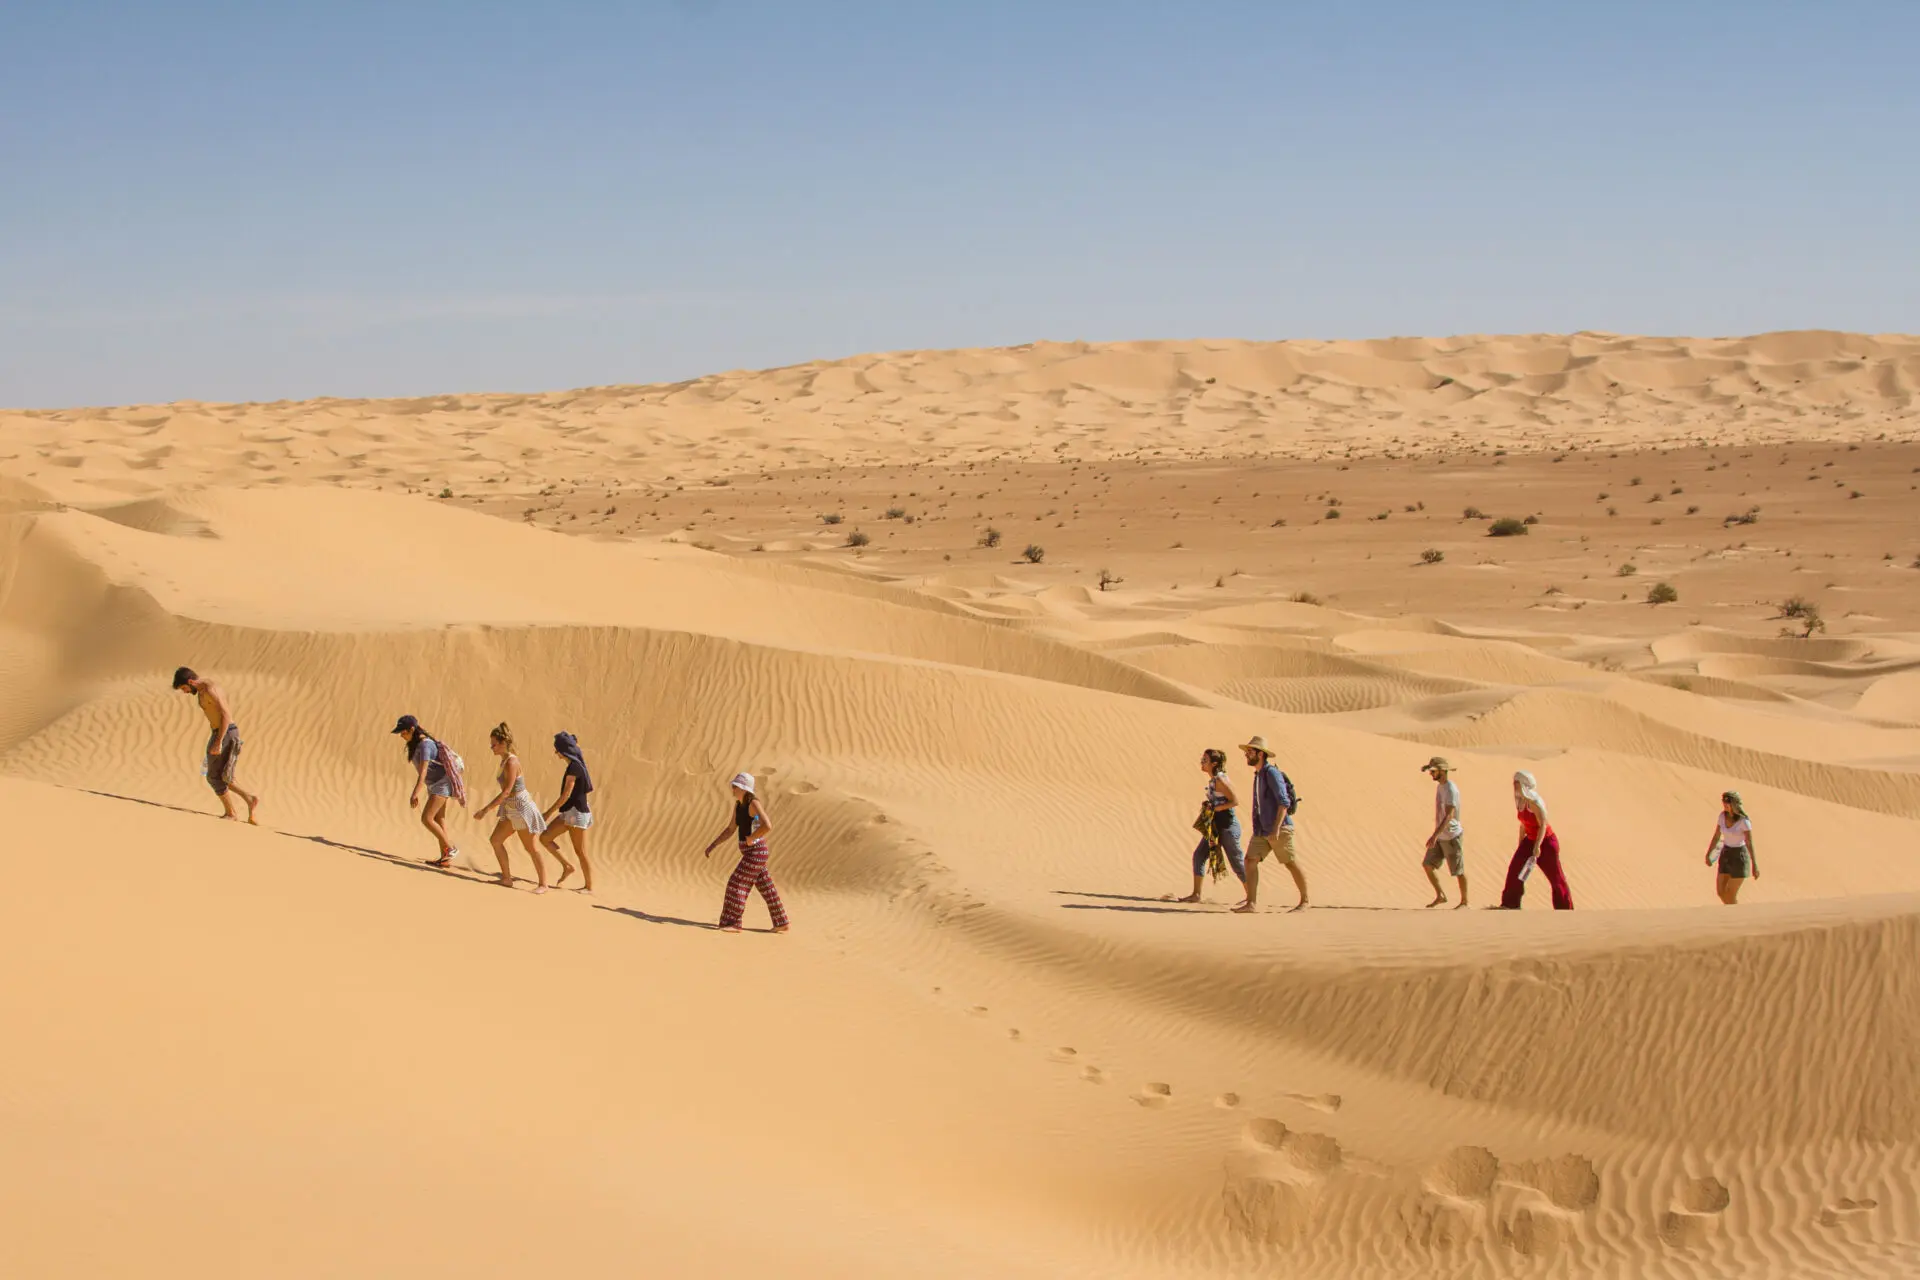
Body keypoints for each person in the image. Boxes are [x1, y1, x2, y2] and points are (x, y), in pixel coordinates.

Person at [702, 772, 789, 933]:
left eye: (735, 786)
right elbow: (730, 829)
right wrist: (713, 845)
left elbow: (767, 825)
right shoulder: (739, 805)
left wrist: (752, 838)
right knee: (767, 888)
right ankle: (781, 922)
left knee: (736, 883)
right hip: (753, 853)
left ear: (743, 788)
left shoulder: (753, 804)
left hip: (756, 852)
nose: (732, 789)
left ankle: (734, 923)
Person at [171, 667, 262, 823]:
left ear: (191, 682)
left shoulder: (209, 689)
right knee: (222, 776)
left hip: (225, 733)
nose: (185, 692)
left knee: (215, 776)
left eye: (184, 688)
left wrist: (219, 741)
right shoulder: (203, 689)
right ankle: (247, 800)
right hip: (219, 733)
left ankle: (233, 812)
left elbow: (226, 714)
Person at [473, 722, 550, 892]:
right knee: (496, 840)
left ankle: (543, 884)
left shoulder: (511, 762)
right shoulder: (504, 761)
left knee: (531, 847)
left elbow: (507, 792)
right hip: (511, 808)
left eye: (493, 744)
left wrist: (485, 810)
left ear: (502, 744)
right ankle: (506, 878)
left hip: (521, 808)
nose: (491, 747)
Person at [1235, 736, 1307, 912]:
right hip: (1262, 829)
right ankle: (1251, 903)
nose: (1246, 755)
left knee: (1289, 862)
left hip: (1278, 827)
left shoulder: (1271, 773)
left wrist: (1275, 828)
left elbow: (1284, 802)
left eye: (1250, 752)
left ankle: (1305, 901)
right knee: (1250, 860)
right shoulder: (1258, 775)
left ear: (1260, 754)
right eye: (1246, 752)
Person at [1174, 749, 1247, 904]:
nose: (1202, 762)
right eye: (1202, 759)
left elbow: (1234, 801)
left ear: (1214, 764)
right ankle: (1196, 894)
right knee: (1199, 855)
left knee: (1236, 862)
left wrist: (1215, 808)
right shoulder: (1214, 780)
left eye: (1205, 760)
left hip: (1227, 826)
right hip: (1215, 827)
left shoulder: (1220, 780)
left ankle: (1252, 897)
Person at [393, 714, 462, 867]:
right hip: (435, 784)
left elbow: (423, 772)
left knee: (427, 818)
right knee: (438, 820)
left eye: (403, 732)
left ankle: (450, 847)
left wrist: (415, 793)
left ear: (412, 729)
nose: (401, 735)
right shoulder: (417, 745)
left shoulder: (425, 745)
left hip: (442, 783)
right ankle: (445, 858)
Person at [1499, 770, 1573, 910]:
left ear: (1524, 784)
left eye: (1517, 783)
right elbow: (1523, 824)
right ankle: (1510, 904)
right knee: (1515, 869)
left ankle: (1564, 908)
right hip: (1530, 839)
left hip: (1545, 841)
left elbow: (1543, 824)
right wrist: (1521, 844)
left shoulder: (1534, 802)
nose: (1514, 786)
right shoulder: (1520, 801)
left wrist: (1537, 846)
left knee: (1555, 877)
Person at [539, 731, 596, 892]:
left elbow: (566, 795)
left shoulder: (574, 767)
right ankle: (567, 866)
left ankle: (589, 886)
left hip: (576, 814)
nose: (556, 753)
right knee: (545, 838)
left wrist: (548, 813)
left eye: (557, 750)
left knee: (580, 851)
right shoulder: (574, 765)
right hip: (570, 813)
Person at [1420, 756, 1468, 909]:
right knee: (1427, 864)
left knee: (1458, 870)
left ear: (1442, 771)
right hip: (1441, 836)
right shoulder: (1440, 787)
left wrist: (1434, 835)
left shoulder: (1451, 789)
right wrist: (1437, 835)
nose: (1431, 774)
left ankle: (1465, 902)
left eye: (1433, 771)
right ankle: (1440, 895)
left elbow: (1449, 815)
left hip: (1452, 836)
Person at [1706, 790, 1758, 904]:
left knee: (1730, 893)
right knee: (1721, 891)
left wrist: (1754, 864)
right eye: (1723, 802)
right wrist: (1708, 854)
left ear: (1734, 803)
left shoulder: (1744, 821)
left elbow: (1749, 843)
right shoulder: (1722, 816)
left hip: (1739, 856)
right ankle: (1733, 913)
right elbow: (1716, 836)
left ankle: (1735, 915)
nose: (1725, 805)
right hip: (1726, 854)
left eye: (1728, 802)